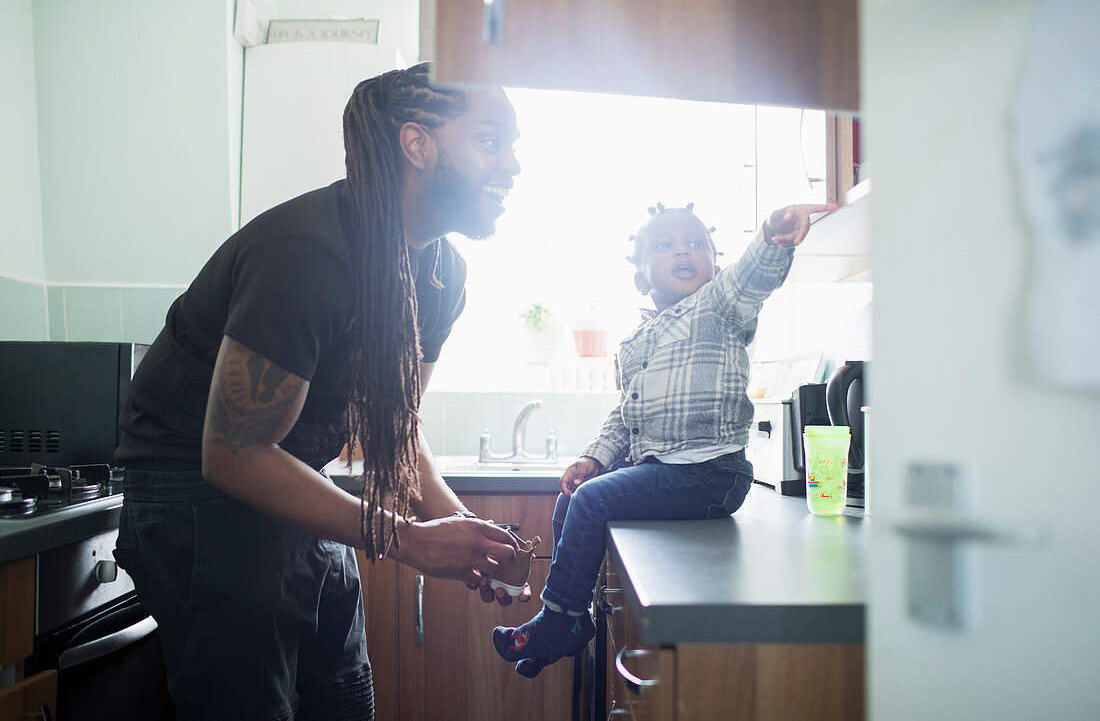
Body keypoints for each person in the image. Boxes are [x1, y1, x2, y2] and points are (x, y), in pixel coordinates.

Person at [112, 63, 526, 720]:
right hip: (195, 492)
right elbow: (235, 455)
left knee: (340, 700)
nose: (513, 164)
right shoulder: (307, 252)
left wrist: (469, 534)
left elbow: (398, 430)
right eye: (492, 139)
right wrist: (408, 538)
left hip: (295, 477)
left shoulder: (442, 273)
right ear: (417, 144)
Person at [492, 199, 836, 677]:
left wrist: (772, 241)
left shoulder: (719, 305)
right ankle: (568, 617)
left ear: (714, 265)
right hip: (663, 470)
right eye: (665, 244)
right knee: (572, 499)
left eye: (697, 243)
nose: (684, 251)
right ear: (640, 278)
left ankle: (559, 621)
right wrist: (594, 459)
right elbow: (623, 413)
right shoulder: (636, 343)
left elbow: (751, 278)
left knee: (590, 503)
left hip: (711, 472)